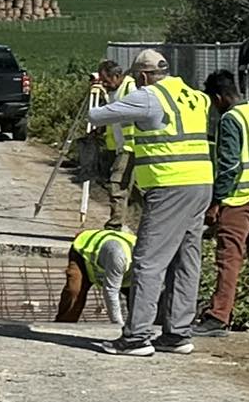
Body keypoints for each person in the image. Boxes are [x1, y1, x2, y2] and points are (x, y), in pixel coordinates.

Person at [82, 48, 214, 356]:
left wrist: (98, 93)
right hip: (201, 183)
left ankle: (137, 336)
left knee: (148, 261)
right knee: (186, 260)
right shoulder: (195, 97)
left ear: (142, 76)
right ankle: (178, 333)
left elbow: (96, 116)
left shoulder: (149, 96)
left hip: (169, 185)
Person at [194, 69, 249, 336]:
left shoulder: (230, 120)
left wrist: (216, 201)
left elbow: (229, 165)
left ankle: (218, 316)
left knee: (229, 257)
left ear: (219, 97)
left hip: (239, 199)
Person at [88, 60, 136, 229]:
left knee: (117, 184)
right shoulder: (112, 92)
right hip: (118, 146)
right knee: (126, 187)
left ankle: (115, 225)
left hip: (131, 147)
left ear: (117, 76)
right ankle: (122, 221)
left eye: (106, 80)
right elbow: (111, 115)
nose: (104, 83)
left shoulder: (131, 89)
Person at [55, 226, 133, 327]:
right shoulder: (119, 256)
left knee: (137, 297)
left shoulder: (150, 260)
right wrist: (118, 325)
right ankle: (63, 326)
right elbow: (111, 291)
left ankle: (138, 328)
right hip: (83, 254)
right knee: (75, 290)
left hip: (111, 262)